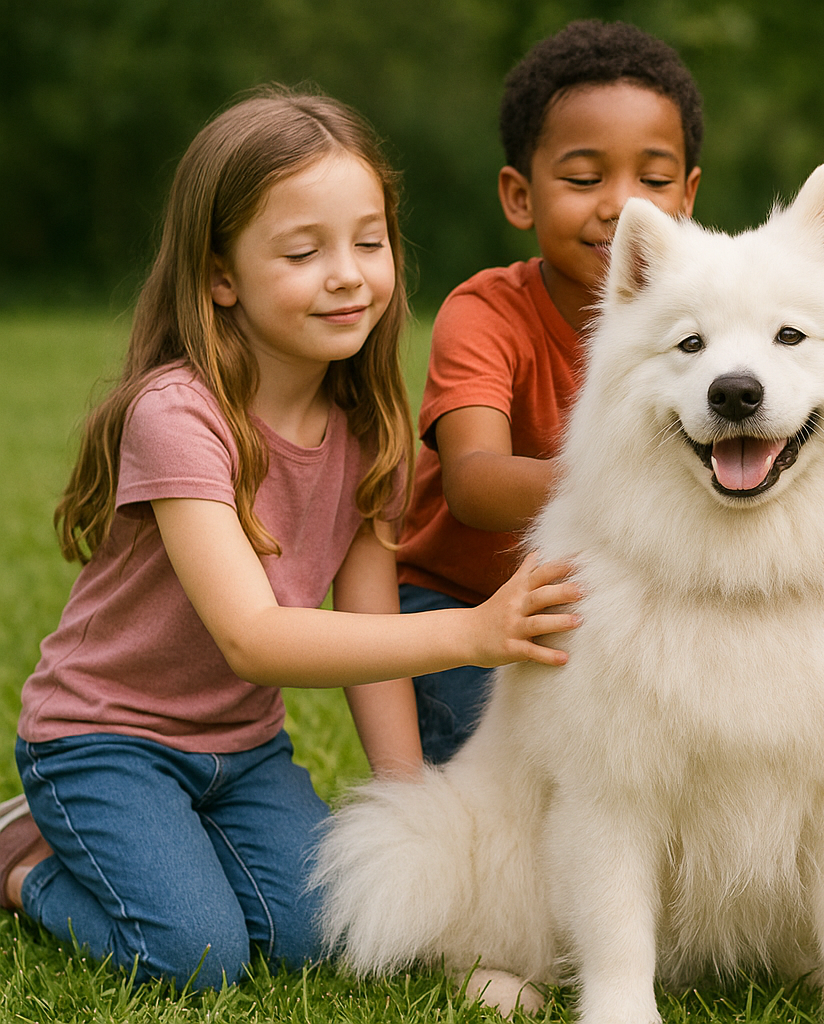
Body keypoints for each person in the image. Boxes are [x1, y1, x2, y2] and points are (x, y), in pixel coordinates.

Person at [0, 87, 580, 990]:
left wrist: (409, 809)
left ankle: (161, 841)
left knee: (323, 937)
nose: (347, 274)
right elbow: (254, 636)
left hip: (243, 748)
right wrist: (472, 632)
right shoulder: (180, 415)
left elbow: (370, 632)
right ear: (221, 275)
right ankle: (26, 862)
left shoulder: (367, 423)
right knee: (198, 958)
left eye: (370, 242)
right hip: (107, 739)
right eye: (304, 252)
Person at [394, 20, 704, 763]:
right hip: (462, 603)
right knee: (497, 786)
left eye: (654, 180)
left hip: (614, 594)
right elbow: (473, 484)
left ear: (690, 194)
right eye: (585, 177)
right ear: (519, 194)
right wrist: (653, 484)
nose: (623, 206)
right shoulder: (485, 313)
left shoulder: (706, 315)